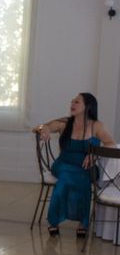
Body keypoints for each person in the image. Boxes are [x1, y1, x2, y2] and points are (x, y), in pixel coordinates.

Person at [34, 93, 115, 237]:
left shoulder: (97, 125)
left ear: (87, 106)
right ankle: (60, 221)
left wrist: (95, 154)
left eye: (77, 102)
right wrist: (43, 128)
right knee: (66, 175)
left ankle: (73, 221)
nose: (72, 104)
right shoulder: (64, 123)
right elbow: (39, 127)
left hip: (86, 167)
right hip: (63, 164)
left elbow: (111, 144)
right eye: (72, 102)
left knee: (82, 177)